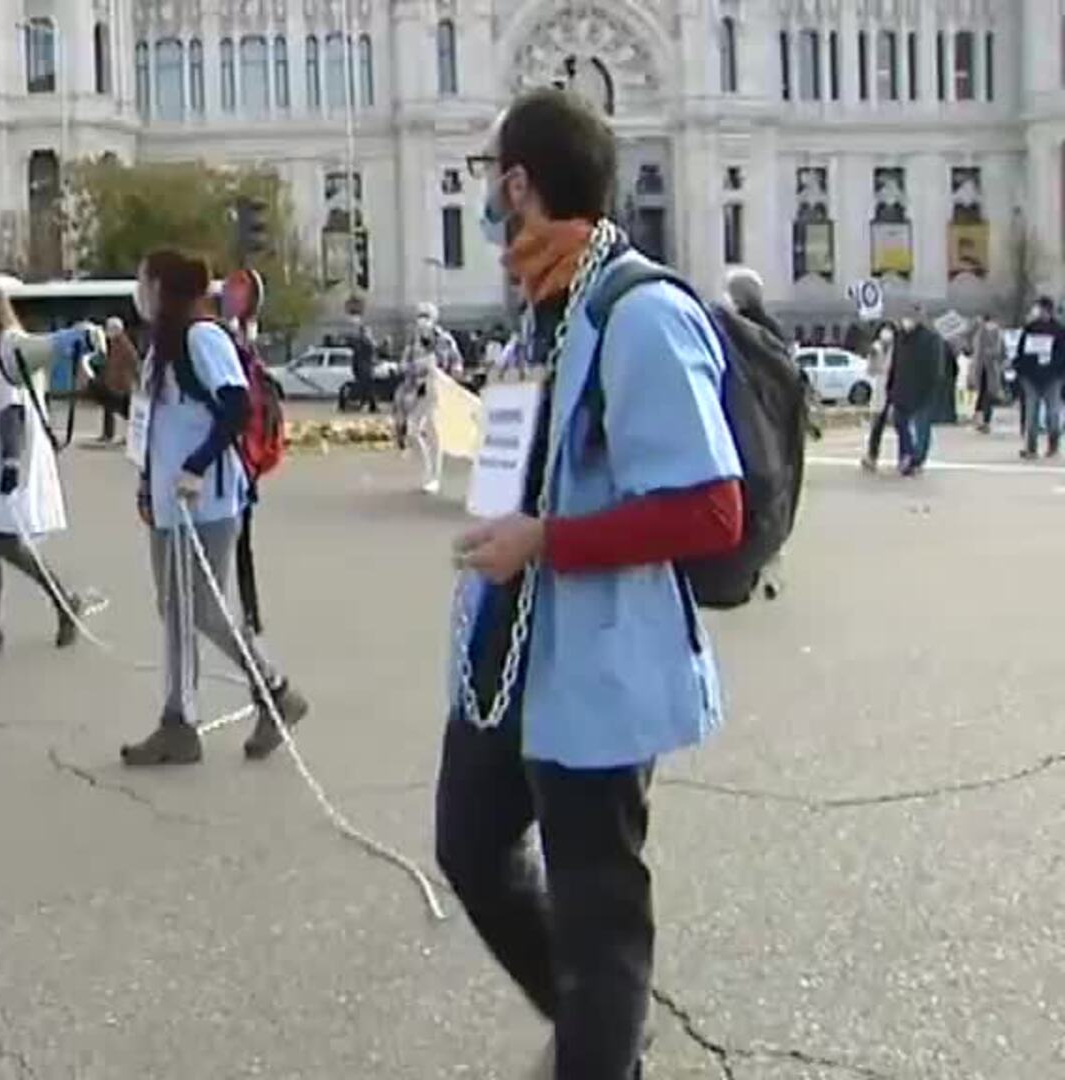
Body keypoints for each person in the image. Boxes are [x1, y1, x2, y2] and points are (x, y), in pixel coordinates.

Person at [441, 90, 746, 1080]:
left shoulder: (641, 313)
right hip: (506, 658)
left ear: (520, 182)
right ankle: (594, 1028)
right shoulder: (540, 306)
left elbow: (710, 511)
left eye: (492, 178)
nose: (485, 198)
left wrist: (545, 539)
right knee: (470, 846)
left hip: (595, 669)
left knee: (598, 912)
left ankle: (600, 1038)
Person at [119, 249, 308, 768]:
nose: (141, 290)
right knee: (175, 609)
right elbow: (155, 423)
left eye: (146, 281)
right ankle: (179, 721)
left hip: (206, 501)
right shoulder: (162, 345)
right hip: (168, 503)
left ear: (164, 288)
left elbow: (235, 406)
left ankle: (275, 690)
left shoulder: (203, 338)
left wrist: (197, 466)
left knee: (201, 608)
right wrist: (146, 483)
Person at [0, 283, 100, 655]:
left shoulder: (9, 346)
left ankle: (65, 601)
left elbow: (13, 407)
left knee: (6, 543)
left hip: (6, 456)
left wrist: (10, 460)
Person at [398, 301, 464, 494]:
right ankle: (428, 472)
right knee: (412, 432)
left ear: (434, 319)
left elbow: (457, 362)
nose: (422, 320)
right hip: (418, 391)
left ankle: (434, 477)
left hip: (439, 392)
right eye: (420, 316)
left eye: (426, 316)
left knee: (434, 433)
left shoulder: (444, 339)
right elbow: (404, 364)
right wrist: (418, 366)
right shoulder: (413, 341)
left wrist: (452, 372)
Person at [889, 308, 945, 476]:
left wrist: (933, 386)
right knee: (900, 424)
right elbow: (895, 362)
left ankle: (917, 459)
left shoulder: (930, 339)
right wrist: (891, 386)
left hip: (923, 389)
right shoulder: (899, 338)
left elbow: (935, 368)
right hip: (901, 388)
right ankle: (906, 455)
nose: (906, 322)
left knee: (922, 427)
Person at [1013, 297, 1064, 459]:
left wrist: (1060, 373)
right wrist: (1020, 372)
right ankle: (1031, 447)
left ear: (1048, 311)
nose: (1039, 313)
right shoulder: (1030, 329)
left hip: (1053, 377)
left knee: (1052, 414)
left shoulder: (1059, 331)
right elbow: (1021, 352)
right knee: (1031, 414)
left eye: (1041, 309)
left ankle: (1053, 445)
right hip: (1031, 378)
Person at [87, 316, 139, 446]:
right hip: (114, 382)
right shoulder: (115, 343)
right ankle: (108, 434)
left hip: (122, 384)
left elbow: (133, 361)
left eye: (109, 329)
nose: (107, 332)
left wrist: (129, 376)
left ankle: (125, 436)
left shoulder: (124, 343)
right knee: (109, 408)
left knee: (125, 411)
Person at [860, 323, 896, 472]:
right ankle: (871, 456)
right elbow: (871, 371)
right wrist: (873, 358)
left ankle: (907, 456)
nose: (886, 334)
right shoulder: (876, 348)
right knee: (877, 427)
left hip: (897, 388)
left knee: (903, 425)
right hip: (881, 389)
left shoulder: (900, 347)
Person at [970, 316, 1006, 433]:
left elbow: (975, 352)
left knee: (984, 396)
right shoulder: (996, 333)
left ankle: (982, 421)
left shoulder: (981, 333)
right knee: (985, 396)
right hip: (990, 369)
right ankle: (984, 421)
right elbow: (1002, 352)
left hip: (984, 368)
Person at [345, 311, 379, 412]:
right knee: (365, 387)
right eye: (368, 331)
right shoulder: (363, 341)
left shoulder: (365, 341)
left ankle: (370, 405)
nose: (370, 333)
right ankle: (364, 404)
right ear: (364, 332)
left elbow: (372, 353)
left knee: (367, 388)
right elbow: (363, 351)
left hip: (365, 367)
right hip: (363, 368)